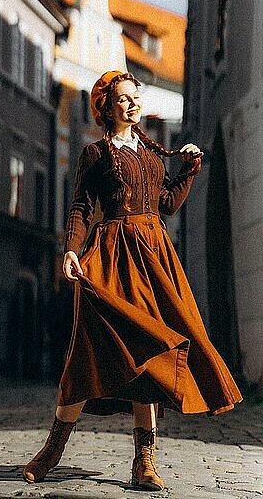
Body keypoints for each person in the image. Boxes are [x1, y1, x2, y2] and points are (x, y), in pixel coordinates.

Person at [22, 70, 243, 490]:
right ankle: (52, 449)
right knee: (87, 350)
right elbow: (82, 207)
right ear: (106, 107)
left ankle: (145, 462)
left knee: (151, 355)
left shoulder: (151, 155)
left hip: (154, 258)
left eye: (134, 97)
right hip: (111, 258)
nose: (132, 103)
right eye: (123, 98)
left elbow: (166, 205)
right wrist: (71, 248)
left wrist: (190, 171)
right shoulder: (95, 154)